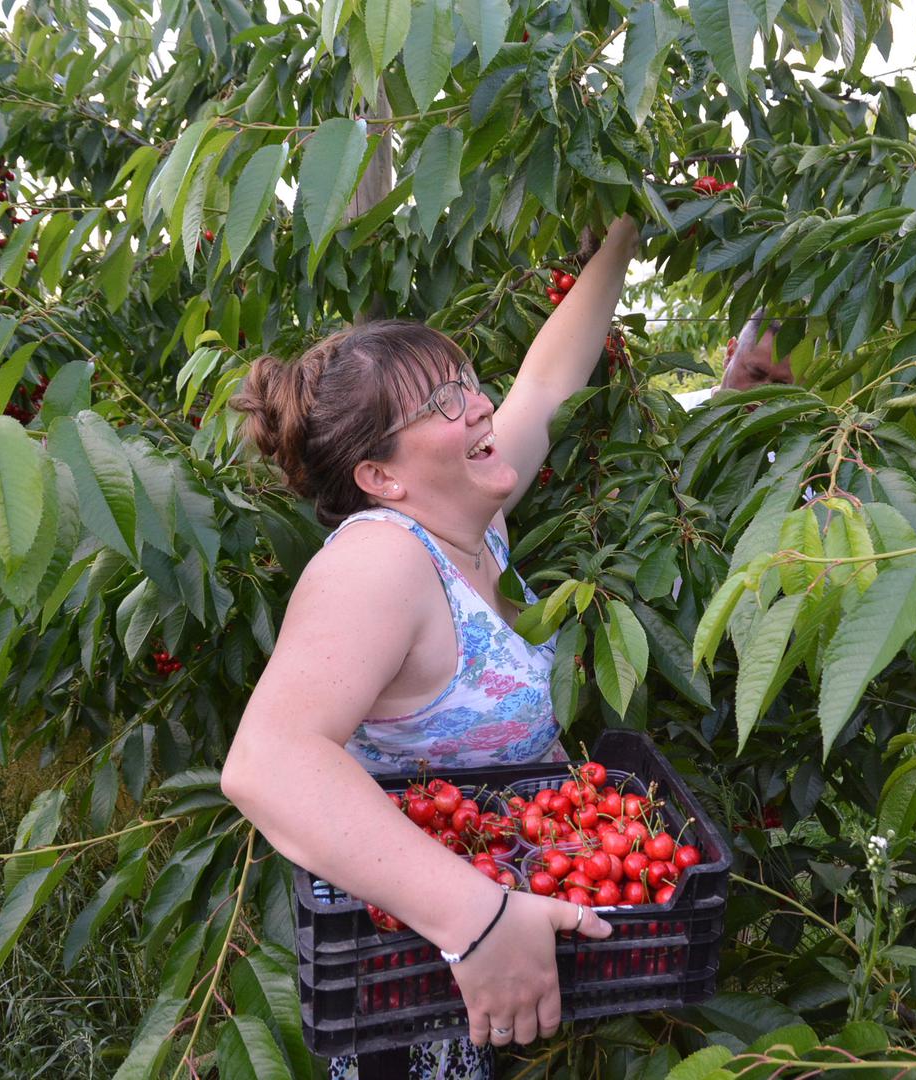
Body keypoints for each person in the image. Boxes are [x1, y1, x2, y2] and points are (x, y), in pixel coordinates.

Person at [219, 215, 639, 1080]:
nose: (478, 405)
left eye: (467, 383)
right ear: (381, 476)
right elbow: (266, 761)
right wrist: (475, 919)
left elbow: (548, 383)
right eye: (444, 402)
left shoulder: (468, 524)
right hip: (415, 976)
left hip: (480, 931)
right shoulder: (381, 559)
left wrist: (624, 232)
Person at [670, 308, 793, 410]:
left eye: (780, 385)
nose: (764, 393)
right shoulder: (670, 416)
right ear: (730, 353)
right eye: (755, 374)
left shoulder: (798, 435)